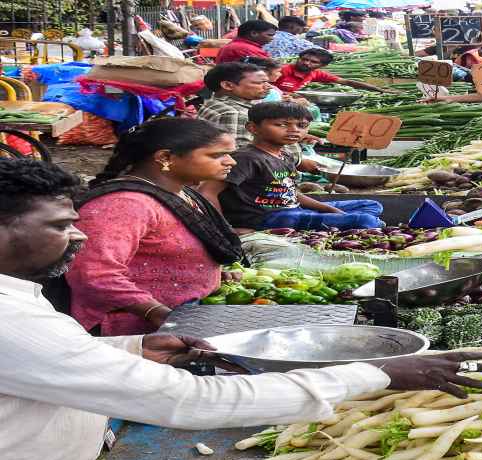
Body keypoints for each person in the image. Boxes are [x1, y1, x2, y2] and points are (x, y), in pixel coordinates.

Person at [0, 161, 482, 460]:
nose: (79, 238)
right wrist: (377, 373)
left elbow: (37, 365)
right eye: (61, 226)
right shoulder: (10, 318)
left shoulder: (17, 301)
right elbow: (188, 400)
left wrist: (131, 350)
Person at [65, 119, 242, 335]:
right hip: (133, 331)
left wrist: (203, 272)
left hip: (181, 316)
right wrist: (158, 314)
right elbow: (93, 273)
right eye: (217, 155)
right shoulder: (124, 205)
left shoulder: (181, 193)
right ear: (165, 158)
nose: (231, 161)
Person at [200, 102, 383, 232]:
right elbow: (207, 191)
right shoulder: (246, 158)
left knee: (372, 204)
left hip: (292, 208)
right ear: (253, 128)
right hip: (266, 218)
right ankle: (351, 223)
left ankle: (334, 221)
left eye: (301, 126)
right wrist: (225, 228)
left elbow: (292, 193)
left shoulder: (285, 155)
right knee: (364, 220)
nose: (294, 130)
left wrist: (330, 210)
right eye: (281, 125)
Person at [198, 62, 270, 149]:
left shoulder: (214, 102)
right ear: (227, 85)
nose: (269, 86)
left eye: (267, 82)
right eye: (260, 83)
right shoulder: (235, 113)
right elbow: (239, 154)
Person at [273, 48, 395, 94]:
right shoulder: (283, 70)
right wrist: (286, 94)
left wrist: (381, 90)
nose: (306, 63)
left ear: (322, 65)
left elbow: (348, 82)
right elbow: (264, 86)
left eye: (313, 62)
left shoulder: (315, 73)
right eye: (304, 59)